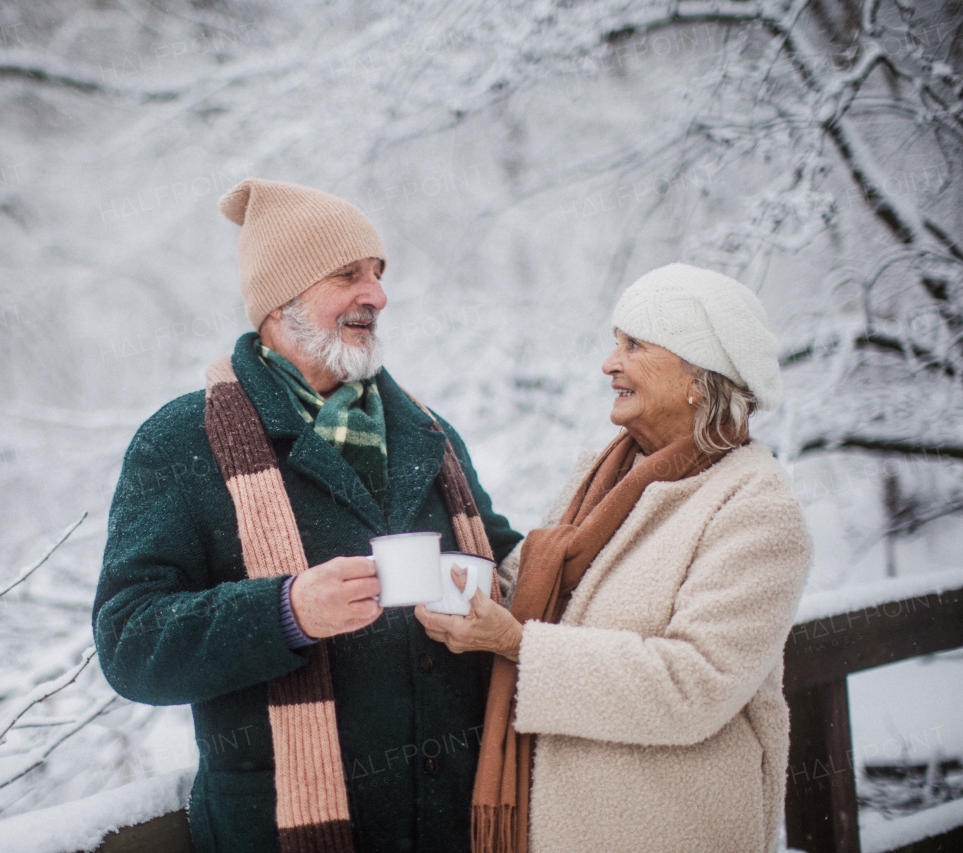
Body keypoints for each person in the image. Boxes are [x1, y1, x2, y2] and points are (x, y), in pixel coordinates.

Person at [93, 178, 521, 853]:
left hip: (454, 824)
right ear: (281, 298)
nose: (377, 295)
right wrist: (285, 611)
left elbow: (507, 566)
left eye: (378, 274)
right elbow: (130, 644)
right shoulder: (181, 443)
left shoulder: (428, 435)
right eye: (349, 274)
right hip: (281, 832)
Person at [417, 263, 812, 853]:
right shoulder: (602, 478)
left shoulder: (757, 509)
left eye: (633, 345)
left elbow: (693, 686)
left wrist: (516, 644)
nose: (608, 363)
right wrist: (458, 580)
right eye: (613, 343)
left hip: (669, 830)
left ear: (699, 378)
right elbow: (527, 581)